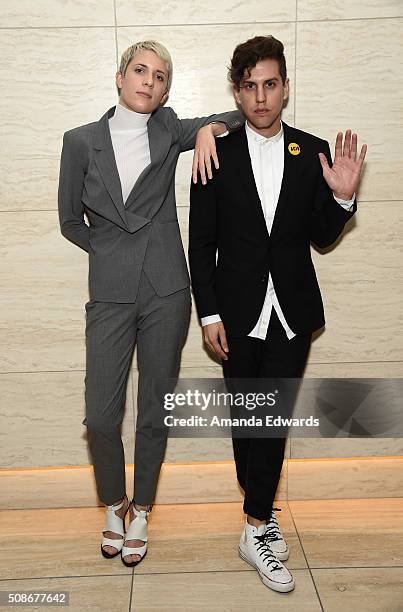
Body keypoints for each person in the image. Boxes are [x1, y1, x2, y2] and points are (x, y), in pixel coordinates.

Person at [189, 35, 367, 593]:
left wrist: (340, 198)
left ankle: (255, 523)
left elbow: (318, 236)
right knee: (249, 421)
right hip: (234, 313)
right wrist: (208, 313)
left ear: (285, 88)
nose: (261, 97)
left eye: (270, 84)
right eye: (250, 86)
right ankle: (260, 510)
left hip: (291, 308)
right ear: (237, 94)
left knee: (272, 416)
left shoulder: (312, 151)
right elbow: (201, 243)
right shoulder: (215, 152)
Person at [58, 40, 243, 568]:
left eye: (160, 76)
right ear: (120, 77)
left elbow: (236, 114)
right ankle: (114, 500)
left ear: (166, 90)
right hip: (111, 291)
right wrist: (110, 250)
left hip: (167, 288)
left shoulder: (170, 129)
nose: (149, 82)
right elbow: (70, 219)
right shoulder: (79, 141)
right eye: (140, 71)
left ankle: (141, 508)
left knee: (153, 412)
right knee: (100, 415)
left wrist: (207, 129)